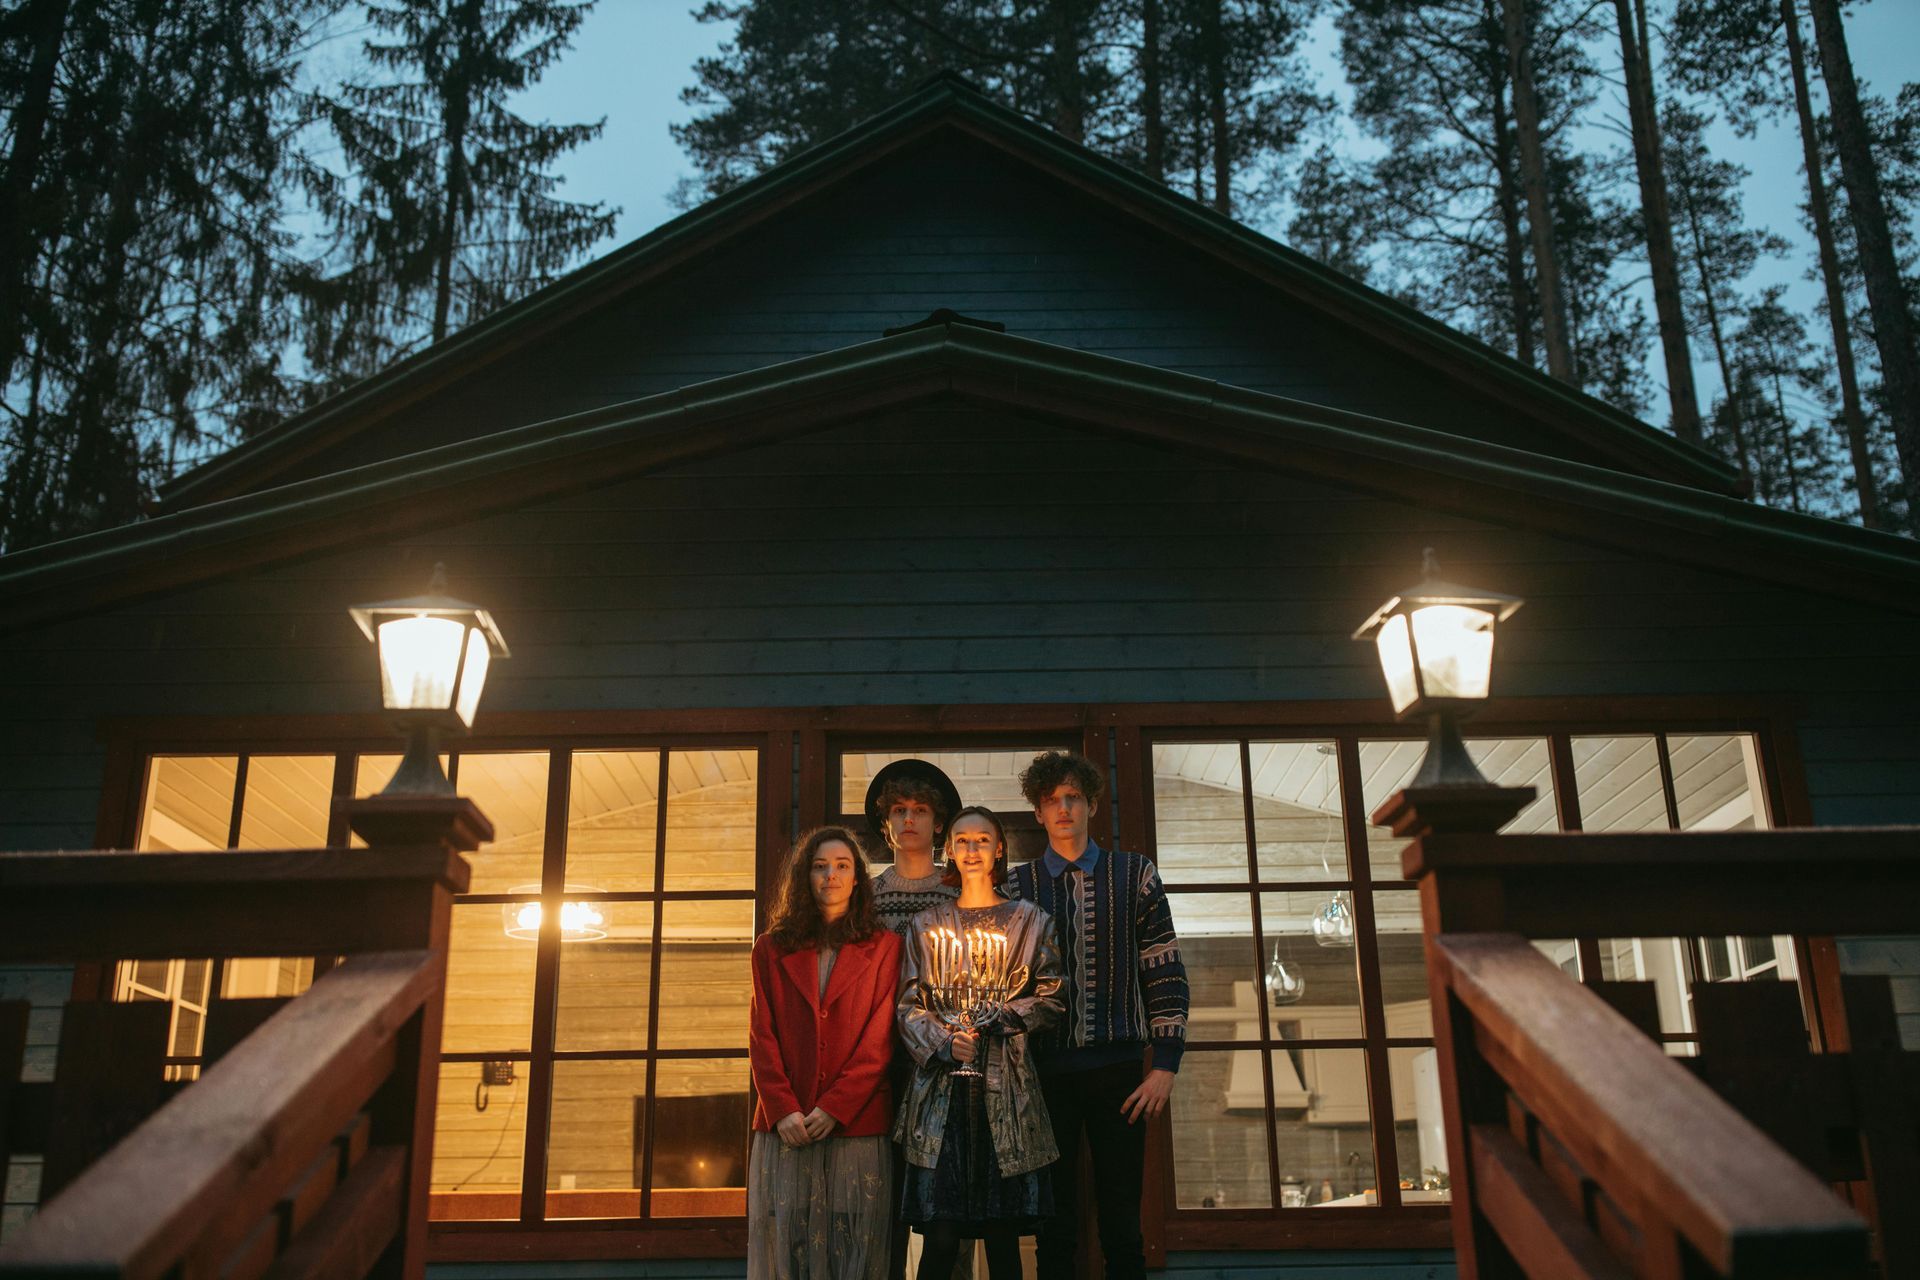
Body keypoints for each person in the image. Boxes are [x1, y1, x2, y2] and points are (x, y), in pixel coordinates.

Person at [1004, 750, 1189, 1280]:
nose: (1063, 808)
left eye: (1073, 798)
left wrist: (1165, 1064)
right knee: (1053, 1226)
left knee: (1124, 1224)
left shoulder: (1134, 874)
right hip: (1042, 1077)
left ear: (1090, 805)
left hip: (1120, 1075)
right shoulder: (1016, 888)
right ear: (1038, 812)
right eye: (1051, 800)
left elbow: (1164, 968)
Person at [896, 805, 1064, 1280]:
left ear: (999, 849)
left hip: (1007, 1090)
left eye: (982, 840)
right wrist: (944, 1042)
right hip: (941, 1098)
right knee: (940, 1236)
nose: (972, 849)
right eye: (962, 840)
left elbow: (1052, 998)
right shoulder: (927, 926)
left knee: (1002, 1237)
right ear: (949, 850)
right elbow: (908, 1005)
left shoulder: (1030, 921)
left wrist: (1004, 1014)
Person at [748, 826, 903, 1280]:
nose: (830, 875)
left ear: (857, 878)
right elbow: (761, 1035)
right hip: (788, 1127)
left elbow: (880, 1040)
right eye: (819, 867)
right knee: (790, 1245)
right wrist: (782, 1109)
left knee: (854, 1246)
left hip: (857, 1125)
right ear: (805, 877)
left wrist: (835, 1107)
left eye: (841, 866)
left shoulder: (886, 947)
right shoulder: (770, 948)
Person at [862, 758, 967, 1279]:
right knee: (883, 1207)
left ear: (938, 823)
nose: (909, 819)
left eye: (920, 810)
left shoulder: (959, 893)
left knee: (946, 1211)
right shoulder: (866, 897)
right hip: (878, 1066)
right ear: (886, 823)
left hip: (945, 1065)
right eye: (899, 810)